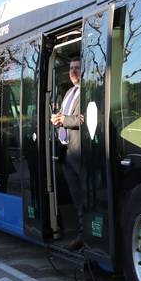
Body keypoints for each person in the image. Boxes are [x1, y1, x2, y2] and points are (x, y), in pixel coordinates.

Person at [51, 56, 84, 251]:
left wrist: (64, 120)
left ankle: (83, 236)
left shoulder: (88, 90)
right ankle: (80, 233)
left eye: (77, 68)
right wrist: (57, 119)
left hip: (79, 152)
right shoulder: (69, 93)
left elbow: (84, 118)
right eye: (71, 68)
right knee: (74, 196)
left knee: (81, 197)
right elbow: (67, 116)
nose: (73, 71)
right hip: (65, 152)